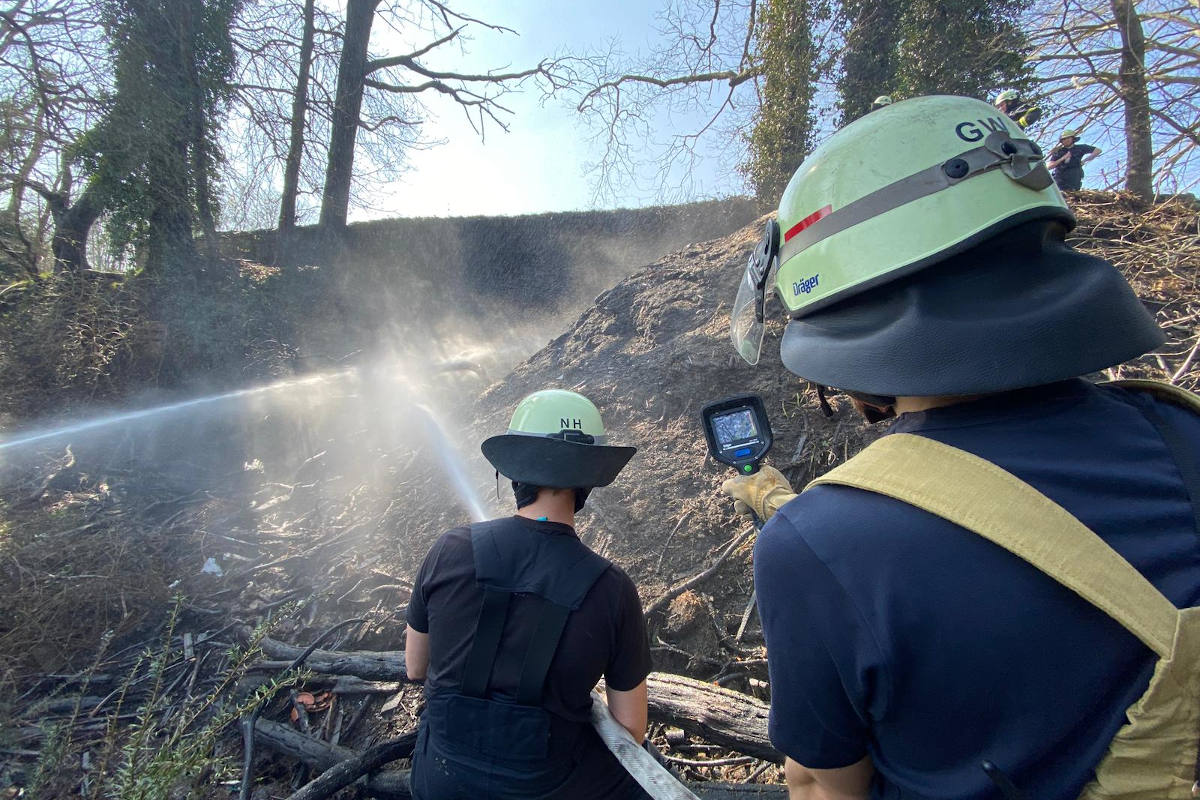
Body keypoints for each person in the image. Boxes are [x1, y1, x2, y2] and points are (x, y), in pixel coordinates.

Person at [722, 94, 1199, 800]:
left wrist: (792, 525)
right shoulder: (1181, 431)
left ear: (837, 307)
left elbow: (822, 786)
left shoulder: (811, 547)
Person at [405, 389, 652, 800]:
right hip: (548, 787)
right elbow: (631, 729)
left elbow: (415, 666)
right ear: (586, 483)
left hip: (441, 778)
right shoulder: (612, 589)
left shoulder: (449, 549)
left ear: (514, 473)